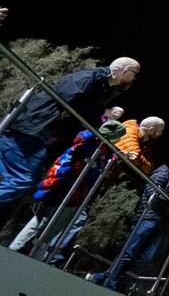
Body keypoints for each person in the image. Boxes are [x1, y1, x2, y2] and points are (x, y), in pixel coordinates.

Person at [0, 58, 140, 223]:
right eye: (134, 75)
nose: (134, 80)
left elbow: (88, 115)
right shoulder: (88, 77)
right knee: (21, 181)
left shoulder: (104, 88)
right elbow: (68, 99)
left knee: (25, 186)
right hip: (31, 129)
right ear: (125, 71)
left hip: (43, 137)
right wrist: (104, 111)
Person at [7, 108, 124, 253]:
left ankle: (29, 251)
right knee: (44, 221)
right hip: (64, 188)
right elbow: (71, 162)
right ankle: (23, 251)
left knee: (45, 222)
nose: (119, 142)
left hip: (73, 191)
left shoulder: (103, 152)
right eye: (118, 138)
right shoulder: (88, 145)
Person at [89, 156, 169, 290]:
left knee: (143, 256)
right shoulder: (163, 173)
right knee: (130, 252)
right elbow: (153, 193)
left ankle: (103, 277)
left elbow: (161, 196)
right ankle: (111, 282)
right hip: (147, 217)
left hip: (156, 219)